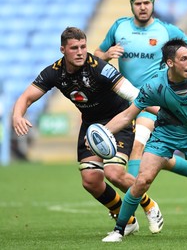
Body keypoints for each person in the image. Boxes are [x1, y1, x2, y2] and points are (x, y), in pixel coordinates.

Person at [12, 27, 164, 235]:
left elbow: (134, 95)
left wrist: (163, 114)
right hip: (92, 126)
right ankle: (127, 219)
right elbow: (26, 97)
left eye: (83, 46)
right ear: (63, 50)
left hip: (118, 120)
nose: (80, 52)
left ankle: (149, 206)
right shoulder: (54, 73)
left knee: (114, 173)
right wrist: (17, 115)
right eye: (74, 48)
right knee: (91, 180)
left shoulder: (99, 68)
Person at [94, 0, 187, 210]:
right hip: (125, 102)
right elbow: (96, 55)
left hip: (153, 101)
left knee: (138, 146)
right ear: (132, 6)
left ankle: (136, 204)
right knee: (158, 157)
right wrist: (106, 55)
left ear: (152, 4)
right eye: (138, 3)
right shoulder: (119, 28)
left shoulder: (166, 30)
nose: (143, 7)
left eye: (147, 2)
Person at [101, 39, 187, 242]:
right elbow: (126, 116)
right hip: (164, 136)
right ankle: (119, 230)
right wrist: (104, 132)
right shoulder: (154, 86)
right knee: (142, 181)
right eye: (183, 59)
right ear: (170, 63)